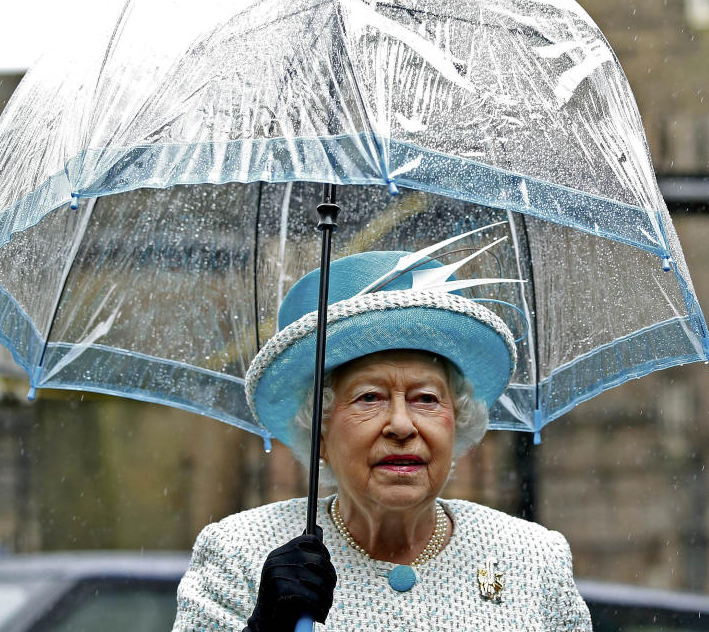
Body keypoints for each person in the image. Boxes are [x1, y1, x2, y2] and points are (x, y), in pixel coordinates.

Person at [173, 249, 592, 631]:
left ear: (457, 421)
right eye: (369, 397)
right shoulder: (238, 554)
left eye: (426, 399)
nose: (401, 425)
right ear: (318, 429)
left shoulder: (535, 559)